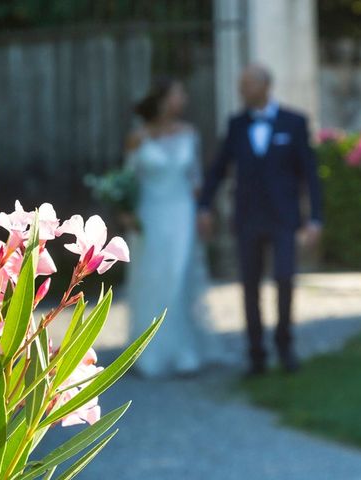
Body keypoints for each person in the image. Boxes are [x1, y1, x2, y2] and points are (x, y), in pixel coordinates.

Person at [198, 64, 323, 376]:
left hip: (284, 219)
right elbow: (219, 169)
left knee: (284, 279)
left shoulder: (294, 122)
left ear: (266, 86)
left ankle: (285, 345)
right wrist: (204, 206)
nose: (242, 90)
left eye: (247, 84)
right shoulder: (237, 124)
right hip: (248, 218)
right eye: (241, 85)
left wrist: (315, 218)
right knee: (250, 286)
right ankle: (256, 352)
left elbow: (309, 174)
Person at [125, 76, 222, 378]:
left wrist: (203, 212)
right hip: (149, 217)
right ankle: (149, 351)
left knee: (179, 279)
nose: (184, 100)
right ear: (164, 99)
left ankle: (183, 351)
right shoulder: (138, 138)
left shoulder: (189, 134)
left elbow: (195, 179)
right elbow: (127, 180)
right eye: (180, 93)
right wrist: (126, 212)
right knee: (152, 280)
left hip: (182, 213)